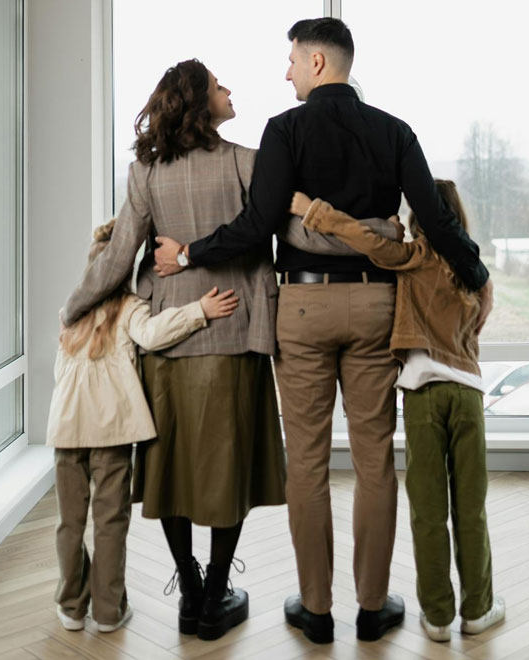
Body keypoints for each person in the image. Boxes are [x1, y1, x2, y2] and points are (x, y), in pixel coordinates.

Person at [153, 18, 493, 644]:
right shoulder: (395, 131)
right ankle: (370, 607)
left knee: (305, 463)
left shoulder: (284, 130)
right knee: (372, 462)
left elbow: (257, 226)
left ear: (316, 63)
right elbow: (436, 219)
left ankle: (314, 610)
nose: (284, 73)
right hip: (375, 308)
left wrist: (188, 254)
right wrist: (473, 269)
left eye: (289, 61)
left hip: (302, 309)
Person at [59, 59, 356, 641]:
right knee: (228, 469)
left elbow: (120, 258)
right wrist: (355, 240)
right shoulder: (247, 161)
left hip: (166, 339)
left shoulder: (144, 171)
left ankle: (190, 591)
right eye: (219, 85)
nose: (229, 90)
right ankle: (216, 593)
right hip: (235, 332)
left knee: (169, 471)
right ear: (199, 101)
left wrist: (73, 306)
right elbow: (290, 232)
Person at [290, 181, 505, 642]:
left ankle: (438, 618)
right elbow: (480, 321)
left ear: (419, 220)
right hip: (469, 396)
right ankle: (478, 610)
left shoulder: (416, 256)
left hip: (424, 395)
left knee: (427, 511)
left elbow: (364, 240)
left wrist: (316, 212)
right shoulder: (474, 270)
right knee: (472, 508)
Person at [47, 219, 238, 633]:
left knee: (70, 521)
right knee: (110, 521)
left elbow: (61, 373)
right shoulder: (131, 308)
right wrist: (199, 311)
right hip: (112, 431)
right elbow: (153, 335)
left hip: (65, 429)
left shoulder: (71, 315)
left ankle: (71, 606)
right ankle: (109, 611)